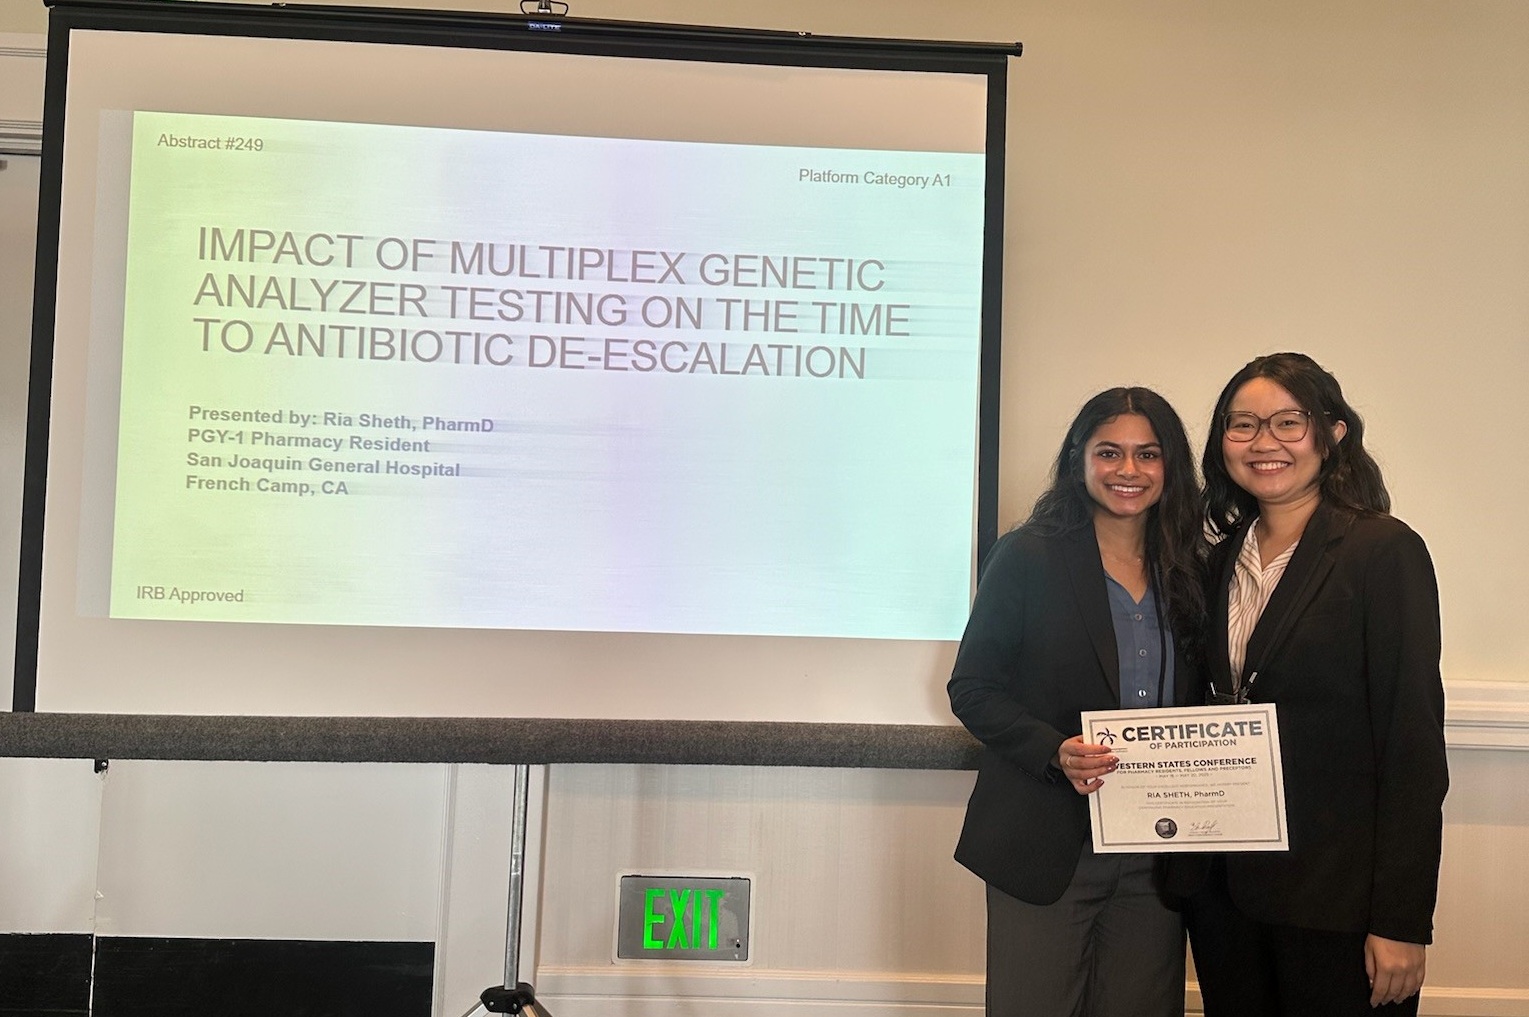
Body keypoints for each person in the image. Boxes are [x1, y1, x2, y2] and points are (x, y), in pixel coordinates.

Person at [1178, 352, 1447, 1016]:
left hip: (1339, 904)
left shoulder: (1381, 551)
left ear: (1332, 433)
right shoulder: (1215, 560)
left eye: (1287, 422)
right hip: (1225, 896)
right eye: (1242, 424)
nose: (1262, 441)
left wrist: (1401, 919)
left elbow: (1411, 744)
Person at [949, 387, 1204, 1017]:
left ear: (1170, 465)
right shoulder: (1027, 555)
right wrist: (1054, 751)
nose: (1128, 470)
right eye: (1109, 452)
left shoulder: (1192, 566)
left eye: (1148, 454)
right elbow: (973, 687)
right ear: (1078, 459)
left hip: (1157, 849)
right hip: (1047, 840)